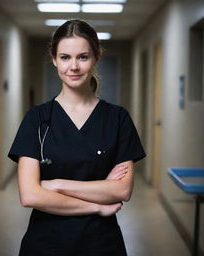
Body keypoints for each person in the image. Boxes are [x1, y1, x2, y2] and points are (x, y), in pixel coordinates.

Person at [8, 19, 146, 256]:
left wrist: (56, 185)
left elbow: (122, 191)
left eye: (82, 57)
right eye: (65, 57)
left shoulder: (117, 118)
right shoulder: (37, 119)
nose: (73, 66)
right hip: (45, 243)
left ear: (95, 59)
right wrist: (97, 204)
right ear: (54, 59)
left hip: (101, 244)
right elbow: (30, 195)